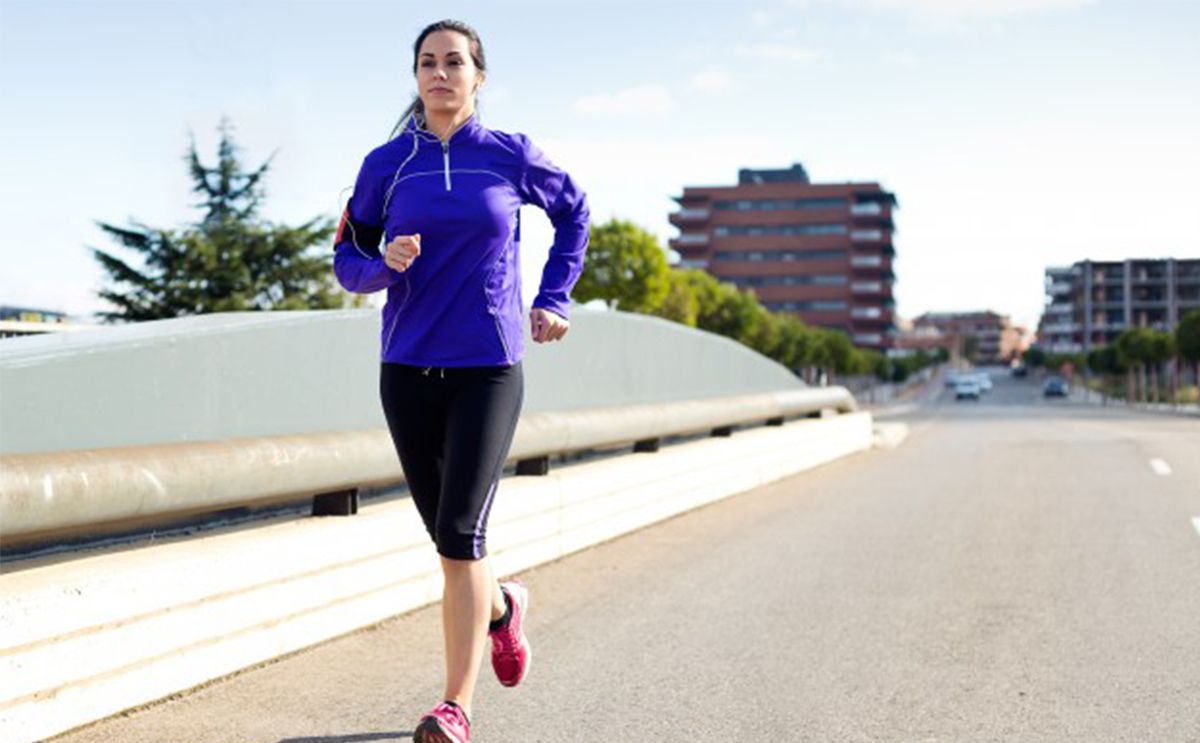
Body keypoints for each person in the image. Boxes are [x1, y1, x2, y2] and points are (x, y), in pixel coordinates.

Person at [332, 18, 590, 743]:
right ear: (414, 77)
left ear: (479, 76)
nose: (440, 73)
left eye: (454, 62)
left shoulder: (510, 156)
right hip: (407, 368)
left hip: (489, 365)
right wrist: (387, 264)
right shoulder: (387, 164)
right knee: (451, 542)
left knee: (458, 530)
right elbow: (346, 258)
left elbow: (574, 212)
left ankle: (455, 705)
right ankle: (502, 610)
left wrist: (554, 295)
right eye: (427, 63)